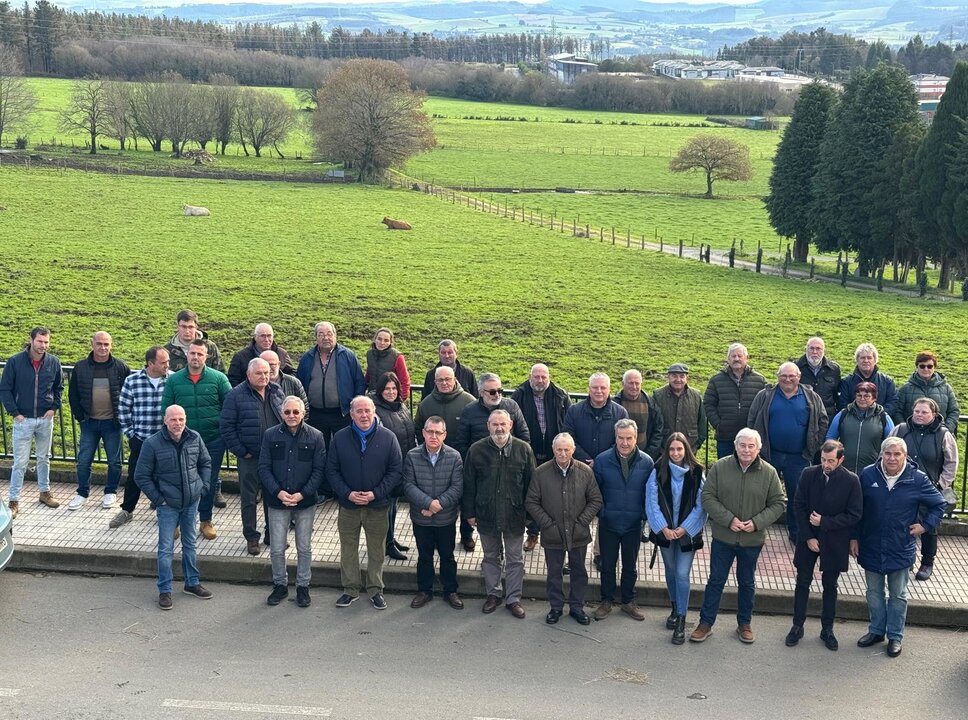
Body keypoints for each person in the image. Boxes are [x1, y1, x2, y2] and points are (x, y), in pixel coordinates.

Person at [852, 437, 946, 658]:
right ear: (881, 455)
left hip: (899, 546)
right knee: (873, 593)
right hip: (871, 544)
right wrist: (853, 537)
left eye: (897, 454)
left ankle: (895, 636)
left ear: (905, 456)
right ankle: (876, 631)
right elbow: (856, 508)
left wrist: (925, 526)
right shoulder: (867, 475)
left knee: (898, 595)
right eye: (888, 454)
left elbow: (939, 504)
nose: (892, 458)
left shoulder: (918, 478)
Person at [690, 428, 785, 644]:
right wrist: (729, 520)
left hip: (752, 539)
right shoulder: (720, 467)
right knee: (715, 581)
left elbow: (778, 503)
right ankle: (706, 623)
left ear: (758, 448)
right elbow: (707, 497)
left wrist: (756, 523)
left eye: (751, 446)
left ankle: (744, 624)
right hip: (724, 536)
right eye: (742, 445)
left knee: (747, 582)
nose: (746, 450)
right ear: (735, 445)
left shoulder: (769, 473)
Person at [785, 440, 862, 652]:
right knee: (802, 582)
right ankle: (797, 626)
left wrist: (825, 522)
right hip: (808, 538)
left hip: (834, 541)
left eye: (830, 461)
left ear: (841, 459)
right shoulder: (809, 474)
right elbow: (798, 506)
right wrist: (808, 536)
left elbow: (854, 515)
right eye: (823, 460)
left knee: (830, 586)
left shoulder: (851, 480)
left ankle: (827, 629)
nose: (826, 464)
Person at [134, 405, 213, 611]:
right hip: (167, 505)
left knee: (190, 544)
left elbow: (205, 463)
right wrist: (159, 499)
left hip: (191, 501)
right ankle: (165, 590)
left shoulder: (194, 437)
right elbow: (141, 475)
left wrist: (202, 488)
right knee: (165, 548)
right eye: (173, 419)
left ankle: (192, 583)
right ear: (165, 421)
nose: (177, 423)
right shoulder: (152, 444)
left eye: (181, 419)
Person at [327, 396, 402, 610]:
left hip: (377, 506)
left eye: (367, 410)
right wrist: (347, 493)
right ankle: (350, 589)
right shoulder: (340, 438)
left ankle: (375, 589)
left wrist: (375, 493)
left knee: (377, 550)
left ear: (374, 411)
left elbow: (395, 470)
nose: (364, 415)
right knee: (348, 549)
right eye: (358, 411)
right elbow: (331, 470)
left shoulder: (388, 438)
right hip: (348, 506)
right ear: (351, 414)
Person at [463, 410, 536, 619]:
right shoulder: (476, 450)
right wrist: (469, 512)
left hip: (514, 513)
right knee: (490, 557)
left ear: (511, 424)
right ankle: (493, 594)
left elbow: (532, 485)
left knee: (515, 559)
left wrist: (529, 514)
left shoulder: (524, 450)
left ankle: (513, 599)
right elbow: (469, 485)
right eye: (495, 424)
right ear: (488, 426)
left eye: (503, 424)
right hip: (485, 513)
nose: (499, 428)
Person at [526, 432, 602, 626]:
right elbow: (532, 502)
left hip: (578, 532)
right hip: (552, 532)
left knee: (579, 571)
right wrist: (547, 524)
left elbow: (595, 500)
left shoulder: (585, 472)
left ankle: (577, 607)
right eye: (559, 449)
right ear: (553, 450)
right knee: (554, 572)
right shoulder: (540, 472)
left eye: (566, 449)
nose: (562, 453)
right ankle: (556, 607)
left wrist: (582, 522)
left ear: (573, 450)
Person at [747, 362, 828, 542]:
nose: (788, 379)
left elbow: (822, 420)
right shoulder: (765, 395)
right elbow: (752, 419)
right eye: (784, 376)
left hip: (798, 457)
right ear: (778, 377)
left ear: (799, 377)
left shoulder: (811, 397)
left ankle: (796, 532)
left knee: (797, 496)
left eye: (792, 376)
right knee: (761, 494)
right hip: (769, 455)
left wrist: (813, 445)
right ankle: (755, 529)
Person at [161, 339, 232, 542]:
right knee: (180, 480)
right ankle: (179, 522)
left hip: (212, 440)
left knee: (207, 482)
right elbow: (165, 408)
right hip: (183, 441)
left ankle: (205, 520)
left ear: (206, 356)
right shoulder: (174, 381)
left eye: (200, 354)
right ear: (187, 355)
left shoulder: (218, 379)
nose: (195, 357)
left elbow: (230, 407)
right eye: (192, 353)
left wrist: (222, 430)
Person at [259, 395, 326, 609]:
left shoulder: (316, 437)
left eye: (295, 412)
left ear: (303, 413)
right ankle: (280, 584)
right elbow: (264, 468)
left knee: (304, 547)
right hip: (277, 502)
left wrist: (302, 494)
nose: (291, 416)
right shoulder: (270, 436)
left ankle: (303, 586)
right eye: (287, 412)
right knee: (277, 548)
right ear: (281, 413)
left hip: (304, 503)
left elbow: (319, 470)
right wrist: (278, 492)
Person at [455, 373, 530, 551]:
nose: (497, 394)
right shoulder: (470, 410)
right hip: (480, 468)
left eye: (500, 390)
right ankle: (467, 536)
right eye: (492, 391)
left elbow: (524, 435)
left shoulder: (511, 406)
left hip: (508, 466)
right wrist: (471, 464)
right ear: (481, 392)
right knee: (474, 500)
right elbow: (462, 442)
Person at [646, 432, 707, 645]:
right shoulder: (657, 470)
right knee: (671, 572)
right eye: (671, 449)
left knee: (682, 573)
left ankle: (681, 618)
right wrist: (663, 528)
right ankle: (674, 607)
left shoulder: (697, 473)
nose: (675, 453)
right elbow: (651, 501)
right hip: (665, 533)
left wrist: (684, 529)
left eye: (679, 449)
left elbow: (701, 506)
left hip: (685, 535)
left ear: (686, 450)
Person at [220, 358, 284, 555]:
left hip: (274, 456)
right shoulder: (235, 395)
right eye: (259, 373)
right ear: (249, 375)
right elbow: (227, 426)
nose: (264, 376)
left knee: (272, 497)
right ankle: (251, 537)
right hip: (250, 457)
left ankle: (271, 535)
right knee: (248, 499)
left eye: (266, 372)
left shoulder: (276, 391)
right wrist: (241, 451)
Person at [593, 418, 654, 622]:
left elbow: (649, 494)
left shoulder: (647, 462)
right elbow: (595, 492)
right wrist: (602, 513)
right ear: (615, 437)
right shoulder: (602, 461)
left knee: (630, 566)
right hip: (608, 523)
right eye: (621, 438)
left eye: (629, 438)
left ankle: (628, 601)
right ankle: (606, 600)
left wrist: (643, 517)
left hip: (633, 524)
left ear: (636, 438)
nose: (625, 443)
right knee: (607, 565)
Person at [890, 397, 958, 581]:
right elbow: (887, 452)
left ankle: (927, 562)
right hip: (902, 486)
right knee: (903, 522)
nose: (919, 415)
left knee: (929, 526)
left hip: (929, 489)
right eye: (917, 411)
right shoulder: (900, 430)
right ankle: (907, 560)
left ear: (934, 414)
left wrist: (941, 484)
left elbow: (952, 462)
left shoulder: (944, 434)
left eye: (924, 412)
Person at [403, 416, 465, 610]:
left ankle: (450, 591)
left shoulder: (454, 456)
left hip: (445, 518)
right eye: (430, 432)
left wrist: (438, 505)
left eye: (438, 433)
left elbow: (457, 487)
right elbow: (408, 485)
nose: (433, 436)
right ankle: (424, 591)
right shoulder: (412, 456)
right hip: (421, 517)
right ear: (423, 433)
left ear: (444, 435)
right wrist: (429, 503)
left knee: (447, 556)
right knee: (424, 556)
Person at [0, 326, 63, 516]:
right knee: (20, 462)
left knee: (44, 458)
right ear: (32, 340)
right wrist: (15, 413)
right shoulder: (15, 362)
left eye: (46, 342)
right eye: (40, 341)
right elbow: (5, 389)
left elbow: (59, 387)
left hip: (45, 419)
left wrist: (54, 408)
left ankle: (44, 493)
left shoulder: (54, 362)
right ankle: (14, 501)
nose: (43, 345)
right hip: (23, 420)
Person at [66, 331, 131, 511]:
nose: (103, 348)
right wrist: (80, 417)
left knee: (114, 461)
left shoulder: (120, 367)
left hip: (112, 423)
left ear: (111, 345)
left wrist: (122, 418)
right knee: (84, 460)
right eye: (99, 344)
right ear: (92, 344)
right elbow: (73, 395)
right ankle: (82, 493)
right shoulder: (80, 367)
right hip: (89, 423)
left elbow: (127, 395)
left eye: (106, 344)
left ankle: (110, 492)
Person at [512, 363, 572, 552]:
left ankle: (555, 531)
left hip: (555, 453)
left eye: (543, 377)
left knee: (554, 493)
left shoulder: (560, 395)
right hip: (528, 452)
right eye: (536, 377)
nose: (540, 381)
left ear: (549, 377)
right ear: (530, 377)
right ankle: (532, 532)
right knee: (532, 493)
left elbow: (568, 422)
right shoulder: (519, 395)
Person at [111, 346, 170, 528]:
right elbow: (123, 410)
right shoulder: (132, 381)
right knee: (135, 476)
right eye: (163, 362)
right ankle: (127, 510)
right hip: (141, 439)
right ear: (151, 363)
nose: (167, 365)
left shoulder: (173, 379)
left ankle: (164, 511)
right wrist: (131, 434)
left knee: (166, 477)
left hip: (165, 440)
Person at [295, 321, 365, 449]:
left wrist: (354, 408)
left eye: (329, 334)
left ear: (335, 335)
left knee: (344, 447)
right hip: (315, 414)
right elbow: (299, 383)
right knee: (318, 449)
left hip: (342, 414)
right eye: (321, 334)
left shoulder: (348, 356)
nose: (326, 337)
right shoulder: (307, 357)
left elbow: (359, 382)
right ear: (316, 337)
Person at [372, 371, 416, 561]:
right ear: (380, 391)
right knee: (386, 507)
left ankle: (392, 538)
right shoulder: (376, 410)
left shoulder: (401, 407)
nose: (390, 392)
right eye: (386, 389)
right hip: (386, 467)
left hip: (401, 463)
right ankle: (386, 543)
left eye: (394, 388)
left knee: (394, 504)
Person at [703, 343, 768, 459]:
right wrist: (718, 424)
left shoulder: (759, 380)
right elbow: (708, 404)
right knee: (726, 471)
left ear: (746, 358)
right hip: (725, 437)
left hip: (750, 439)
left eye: (739, 356)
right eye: (733, 356)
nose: (736, 359)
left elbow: (765, 406)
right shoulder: (716, 380)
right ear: (728, 359)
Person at [825, 382, 894, 475]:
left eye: (866, 396)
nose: (862, 399)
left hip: (872, 471)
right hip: (844, 468)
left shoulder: (883, 417)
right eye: (859, 395)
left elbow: (892, 442)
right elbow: (830, 438)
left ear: (874, 398)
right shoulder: (843, 414)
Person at [563, 373, 629, 466]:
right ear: (588, 389)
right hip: (579, 466)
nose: (599, 391)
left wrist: (601, 460)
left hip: (610, 466)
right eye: (595, 387)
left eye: (603, 388)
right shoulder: (574, 411)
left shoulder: (620, 413)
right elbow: (568, 438)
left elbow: (622, 441)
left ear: (609, 390)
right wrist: (584, 459)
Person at [894, 351, 959, 433]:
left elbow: (954, 411)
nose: (926, 369)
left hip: (939, 435)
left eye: (929, 366)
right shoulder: (905, 389)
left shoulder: (946, 388)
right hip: (912, 435)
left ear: (934, 367)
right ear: (916, 367)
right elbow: (897, 411)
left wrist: (946, 430)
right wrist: (906, 429)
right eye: (922, 366)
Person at [413, 366, 476, 446]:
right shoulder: (425, 404)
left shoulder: (469, 401)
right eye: (440, 380)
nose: (444, 383)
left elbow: (477, 428)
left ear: (455, 380)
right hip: (434, 454)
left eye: (447, 379)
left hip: (462, 454)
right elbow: (419, 429)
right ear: (435, 382)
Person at [652, 363, 707, 453]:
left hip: (690, 449)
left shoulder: (696, 396)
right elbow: (653, 423)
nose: (678, 380)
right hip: (664, 450)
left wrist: (696, 445)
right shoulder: (658, 395)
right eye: (674, 376)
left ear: (687, 378)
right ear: (668, 377)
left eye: (682, 376)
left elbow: (702, 424)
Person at [614, 368, 665, 461]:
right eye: (630, 383)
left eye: (637, 383)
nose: (634, 386)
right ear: (623, 384)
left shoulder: (651, 404)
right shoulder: (615, 404)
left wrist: (650, 454)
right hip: (618, 457)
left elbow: (658, 430)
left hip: (644, 456)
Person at [838, 343, 897, 416]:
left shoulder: (887, 382)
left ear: (875, 360)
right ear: (857, 360)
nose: (866, 361)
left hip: (879, 423)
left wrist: (877, 416)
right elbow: (842, 404)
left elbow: (892, 403)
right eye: (862, 358)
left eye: (869, 358)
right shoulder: (846, 382)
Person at [227, 323, 293, 387]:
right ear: (255, 337)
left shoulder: (282, 354)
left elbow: (292, 374)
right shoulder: (240, 357)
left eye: (269, 336)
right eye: (263, 336)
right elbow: (233, 380)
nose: (266, 340)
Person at [794, 336, 841, 421]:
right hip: (802, 417)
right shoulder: (795, 368)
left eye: (818, 349)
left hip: (827, 418)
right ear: (806, 350)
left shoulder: (834, 370)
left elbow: (836, 395)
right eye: (811, 348)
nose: (815, 352)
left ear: (824, 351)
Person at [164, 309, 224, 373]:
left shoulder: (210, 347)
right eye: (183, 326)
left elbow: (221, 374)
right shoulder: (167, 351)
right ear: (177, 326)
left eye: (190, 327)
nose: (187, 331)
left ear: (196, 327)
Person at [365, 328, 411, 401]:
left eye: (386, 340)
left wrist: (401, 399)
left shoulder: (398, 357)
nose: (382, 343)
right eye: (379, 339)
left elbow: (405, 380)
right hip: (373, 397)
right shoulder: (370, 354)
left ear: (390, 342)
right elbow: (369, 374)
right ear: (375, 339)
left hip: (390, 399)